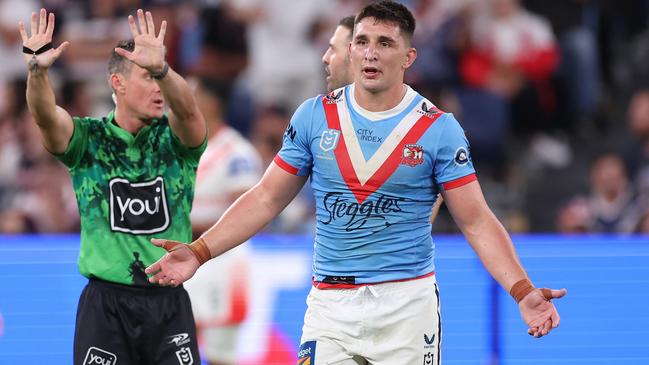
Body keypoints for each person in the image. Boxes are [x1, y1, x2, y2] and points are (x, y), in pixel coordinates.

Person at [146, 2, 566, 364]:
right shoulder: (313, 116)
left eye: (385, 43)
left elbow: (476, 221)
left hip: (406, 306)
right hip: (330, 305)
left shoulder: (438, 129)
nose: (371, 53)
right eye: (362, 41)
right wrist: (200, 252)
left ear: (408, 57)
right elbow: (266, 197)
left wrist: (522, 290)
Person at [20, 8, 206, 364]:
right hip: (105, 307)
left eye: (159, 78)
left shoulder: (177, 140)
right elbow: (45, 116)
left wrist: (163, 70)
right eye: (147, 78)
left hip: (168, 304)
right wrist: (37, 73)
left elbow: (189, 112)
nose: (158, 89)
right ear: (117, 83)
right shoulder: (87, 140)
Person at [184, 78, 262, 365]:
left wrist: (193, 229)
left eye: (193, 93)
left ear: (212, 102)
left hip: (222, 263)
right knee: (178, 346)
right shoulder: (181, 147)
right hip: (183, 259)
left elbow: (247, 211)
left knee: (221, 356)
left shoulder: (237, 153)